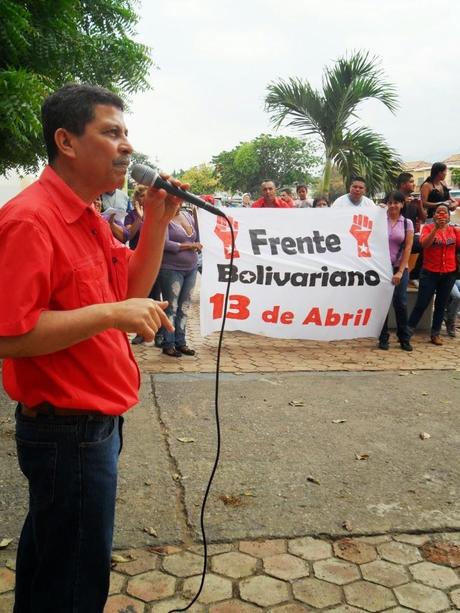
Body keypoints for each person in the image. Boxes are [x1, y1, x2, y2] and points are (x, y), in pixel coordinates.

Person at [0, 83, 185, 613]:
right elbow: (9, 335)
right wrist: (109, 315)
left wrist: (155, 221)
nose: (127, 145)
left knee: (51, 564)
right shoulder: (31, 220)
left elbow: (129, 291)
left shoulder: (86, 214)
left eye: (127, 133)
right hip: (66, 433)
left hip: (92, 427)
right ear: (67, 141)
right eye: (111, 132)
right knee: (74, 583)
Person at [407, 205, 460, 345]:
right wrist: (436, 228)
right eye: (438, 212)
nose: (441, 214)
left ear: (449, 216)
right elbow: (424, 244)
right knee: (422, 303)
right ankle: (408, 331)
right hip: (430, 273)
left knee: (441, 304)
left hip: (449, 273)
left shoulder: (454, 230)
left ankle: (435, 333)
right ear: (434, 215)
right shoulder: (428, 228)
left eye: (445, 212)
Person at [158, 205, 202, 357]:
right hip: (171, 269)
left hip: (191, 268)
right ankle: (168, 343)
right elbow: (164, 243)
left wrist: (197, 216)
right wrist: (189, 246)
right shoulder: (163, 218)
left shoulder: (188, 215)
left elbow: (198, 239)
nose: (175, 203)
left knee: (184, 306)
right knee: (172, 307)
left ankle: (181, 341)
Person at [378, 191, 414, 351]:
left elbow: (408, 247)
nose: (393, 205)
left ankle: (404, 337)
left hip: (400, 267)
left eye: (396, 202)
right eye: (390, 202)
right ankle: (383, 337)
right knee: (382, 304)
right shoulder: (379, 220)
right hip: (381, 268)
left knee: (400, 302)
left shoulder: (407, 223)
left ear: (402, 204)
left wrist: (400, 271)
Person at [397, 172, 426, 287]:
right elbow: (383, 212)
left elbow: (423, 218)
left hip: (410, 236)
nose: (414, 185)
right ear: (403, 184)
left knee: (427, 242)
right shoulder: (393, 197)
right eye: (412, 182)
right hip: (395, 235)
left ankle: (413, 276)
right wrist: (402, 204)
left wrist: (419, 205)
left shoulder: (414, 201)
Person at [124, 183, 147, 249]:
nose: (145, 198)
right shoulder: (130, 215)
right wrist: (139, 218)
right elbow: (129, 235)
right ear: (136, 199)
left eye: (148, 195)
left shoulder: (154, 213)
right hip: (136, 252)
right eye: (142, 196)